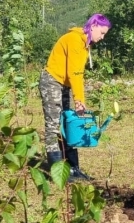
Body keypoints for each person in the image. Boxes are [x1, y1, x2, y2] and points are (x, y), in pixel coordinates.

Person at [40, 13, 111, 180]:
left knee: (65, 124)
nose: (102, 38)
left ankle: (73, 169)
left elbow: (77, 74)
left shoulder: (85, 43)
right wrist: (79, 101)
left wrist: (79, 98)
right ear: (93, 26)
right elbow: (75, 74)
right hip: (52, 81)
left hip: (63, 84)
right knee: (53, 126)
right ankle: (57, 173)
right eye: (101, 33)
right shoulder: (74, 40)